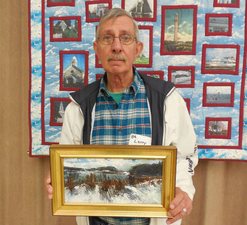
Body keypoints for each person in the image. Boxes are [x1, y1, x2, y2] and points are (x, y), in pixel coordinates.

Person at [45, 8, 198, 225]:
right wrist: (58, 179)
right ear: (97, 49)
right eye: (108, 38)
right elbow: (66, 163)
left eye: (125, 38)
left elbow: (185, 155)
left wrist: (184, 190)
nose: (116, 46)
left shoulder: (167, 99)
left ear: (138, 49)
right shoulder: (78, 106)